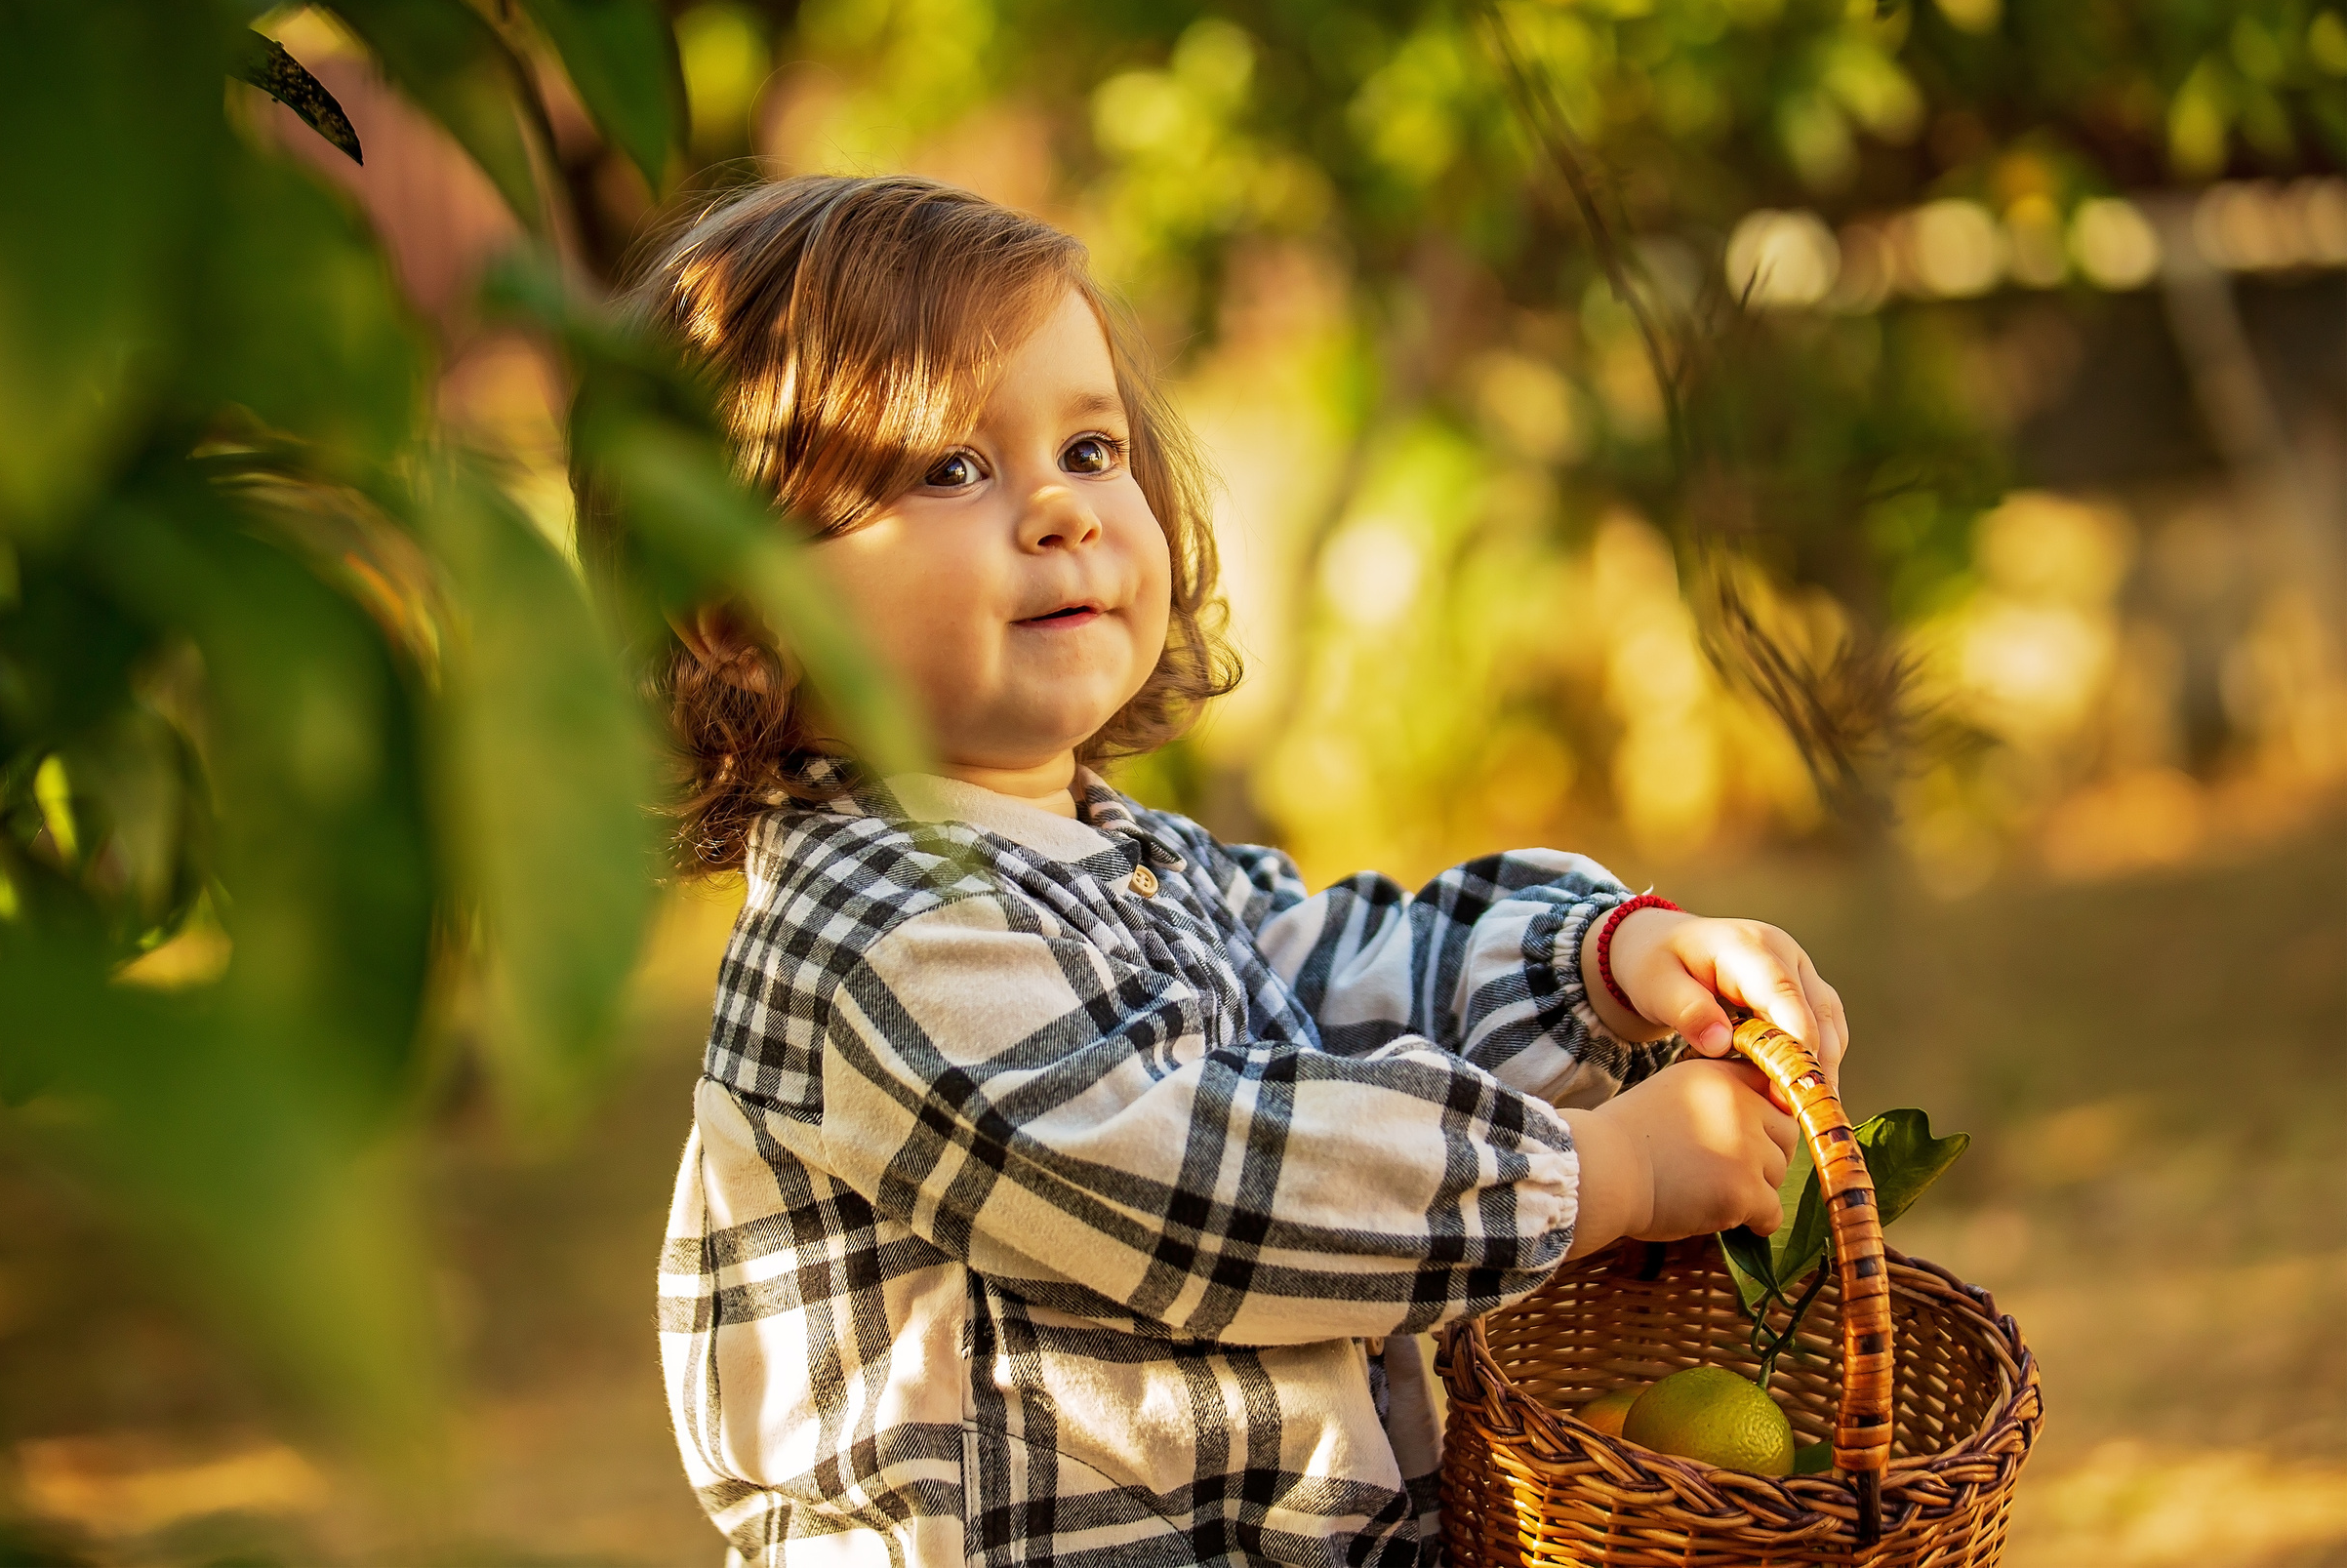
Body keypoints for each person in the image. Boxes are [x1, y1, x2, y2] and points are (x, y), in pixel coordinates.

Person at [627, 175, 1848, 1567]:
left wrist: (1602, 966)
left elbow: (1334, 972)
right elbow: (1208, 1183)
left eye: (1091, 450)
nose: (1058, 512)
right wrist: (1602, 1175)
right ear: (740, 614)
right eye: (951, 469)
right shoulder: (883, 931)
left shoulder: (1120, 857)